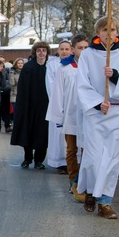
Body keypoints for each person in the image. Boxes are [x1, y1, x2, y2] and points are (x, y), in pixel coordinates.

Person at [76, 17, 119, 219]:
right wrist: (97, 102)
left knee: (111, 159)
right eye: (104, 30)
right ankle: (90, 190)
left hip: (116, 112)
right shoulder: (88, 55)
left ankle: (105, 202)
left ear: (117, 32)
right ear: (98, 33)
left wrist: (116, 76)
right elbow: (82, 83)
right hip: (95, 113)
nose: (109, 34)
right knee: (94, 157)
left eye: (112, 29)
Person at [47, 34, 88, 202]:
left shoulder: (92, 67)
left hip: (88, 114)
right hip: (70, 114)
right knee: (71, 149)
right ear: (73, 50)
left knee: (87, 150)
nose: (83, 51)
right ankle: (74, 181)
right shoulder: (65, 68)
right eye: (80, 48)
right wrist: (58, 116)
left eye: (86, 48)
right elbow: (57, 93)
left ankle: (85, 181)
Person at [11, 43, 51, 169]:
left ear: (47, 52)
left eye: (44, 50)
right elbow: (22, 88)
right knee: (27, 131)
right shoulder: (28, 67)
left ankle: (39, 160)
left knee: (42, 133)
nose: (41, 53)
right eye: (39, 50)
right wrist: (23, 105)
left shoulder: (50, 67)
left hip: (45, 106)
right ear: (35, 52)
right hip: (29, 105)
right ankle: (27, 158)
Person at [45, 40, 73, 172]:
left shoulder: (75, 64)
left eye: (67, 49)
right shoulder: (52, 65)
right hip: (58, 104)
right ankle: (60, 162)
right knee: (58, 135)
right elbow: (51, 85)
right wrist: (58, 102)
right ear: (58, 51)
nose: (64, 52)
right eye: (62, 49)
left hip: (72, 104)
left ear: (71, 50)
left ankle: (72, 161)